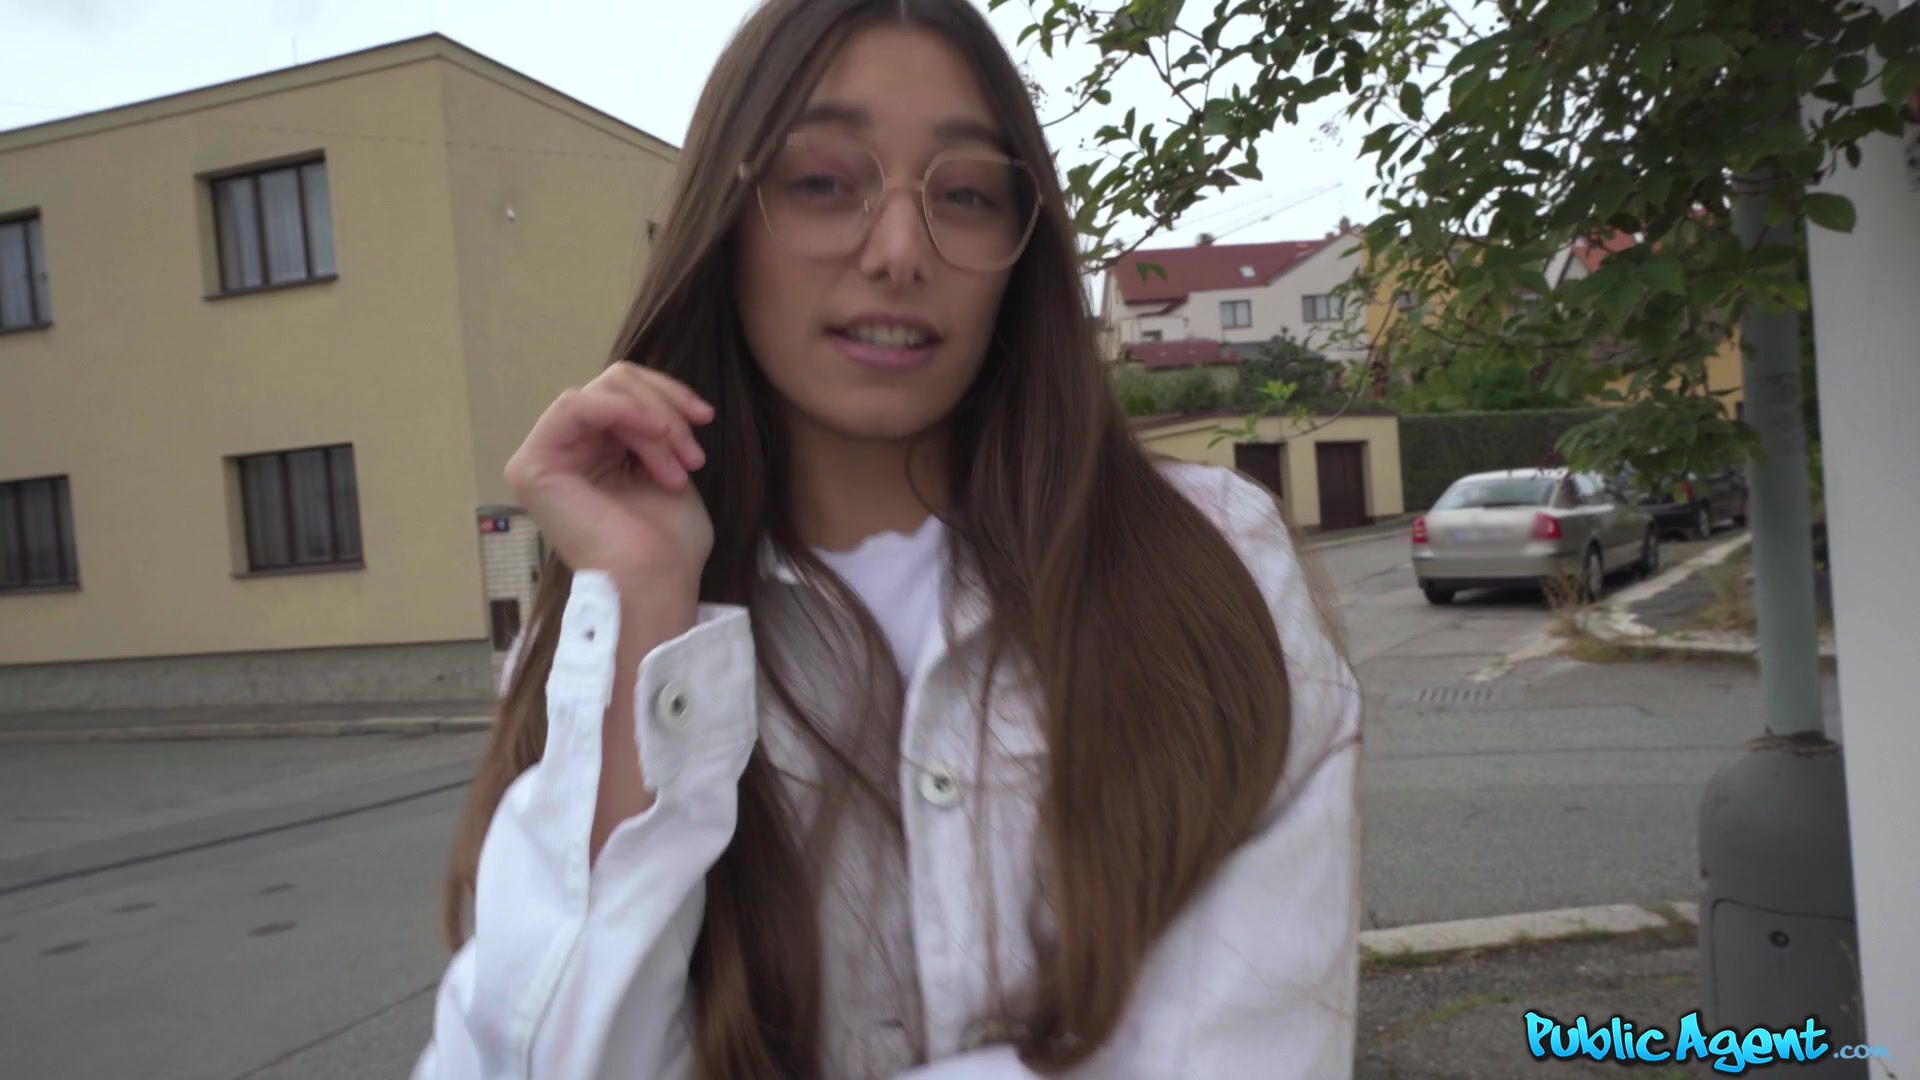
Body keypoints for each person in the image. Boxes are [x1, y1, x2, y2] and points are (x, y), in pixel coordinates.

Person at [413, 0, 1362, 1076]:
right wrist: (641, 603)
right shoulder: (610, 627)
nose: (901, 250)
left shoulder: (1211, 565)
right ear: (724, 223)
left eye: (966, 195)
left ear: (1021, 250)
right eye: (823, 182)